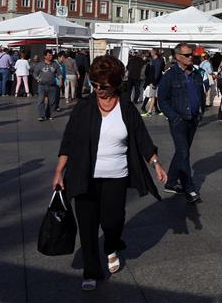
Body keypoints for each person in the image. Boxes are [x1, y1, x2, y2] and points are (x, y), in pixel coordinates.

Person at [52, 55, 167, 291]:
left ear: (115, 83)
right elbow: (69, 140)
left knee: (113, 221)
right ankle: (91, 270)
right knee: (87, 225)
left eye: (103, 86)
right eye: (94, 84)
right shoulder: (84, 107)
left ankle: (111, 245)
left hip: (116, 175)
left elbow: (141, 137)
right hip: (84, 175)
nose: (98, 90)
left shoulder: (126, 107)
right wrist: (59, 171)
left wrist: (155, 162)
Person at [157, 43, 205, 204]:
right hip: (179, 120)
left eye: (191, 54)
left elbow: (201, 94)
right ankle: (189, 188)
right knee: (184, 153)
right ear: (177, 57)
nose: (191, 57)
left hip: (193, 119)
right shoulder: (170, 76)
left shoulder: (196, 74)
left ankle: (171, 183)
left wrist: (201, 111)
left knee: (181, 152)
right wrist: (174, 117)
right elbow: (162, 100)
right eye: (187, 55)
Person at [34, 50, 61, 121]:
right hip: (42, 85)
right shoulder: (40, 64)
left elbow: (59, 73)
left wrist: (60, 80)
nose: (51, 56)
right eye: (49, 55)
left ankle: (48, 114)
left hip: (52, 85)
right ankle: (41, 115)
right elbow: (35, 73)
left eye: (51, 55)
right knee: (41, 100)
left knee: (52, 102)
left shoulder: (55, 64)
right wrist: (37, 78)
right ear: (45, 56)